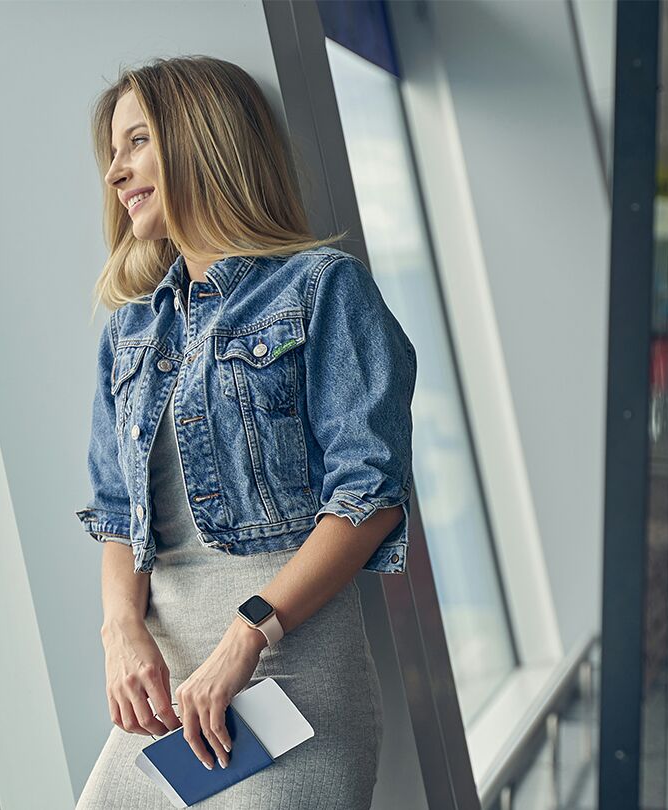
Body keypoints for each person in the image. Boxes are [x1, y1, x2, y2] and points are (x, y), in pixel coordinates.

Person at [73, 55, 417, 809]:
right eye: (112, 150)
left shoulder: (323, 287)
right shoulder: (131, 330)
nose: (114, 171)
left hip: (285, 678)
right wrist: (120, 632)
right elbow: (114, 514)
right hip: (165, 697)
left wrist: (249, 633)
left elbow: (370, 500)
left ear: (199, 142)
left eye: (136, 142)